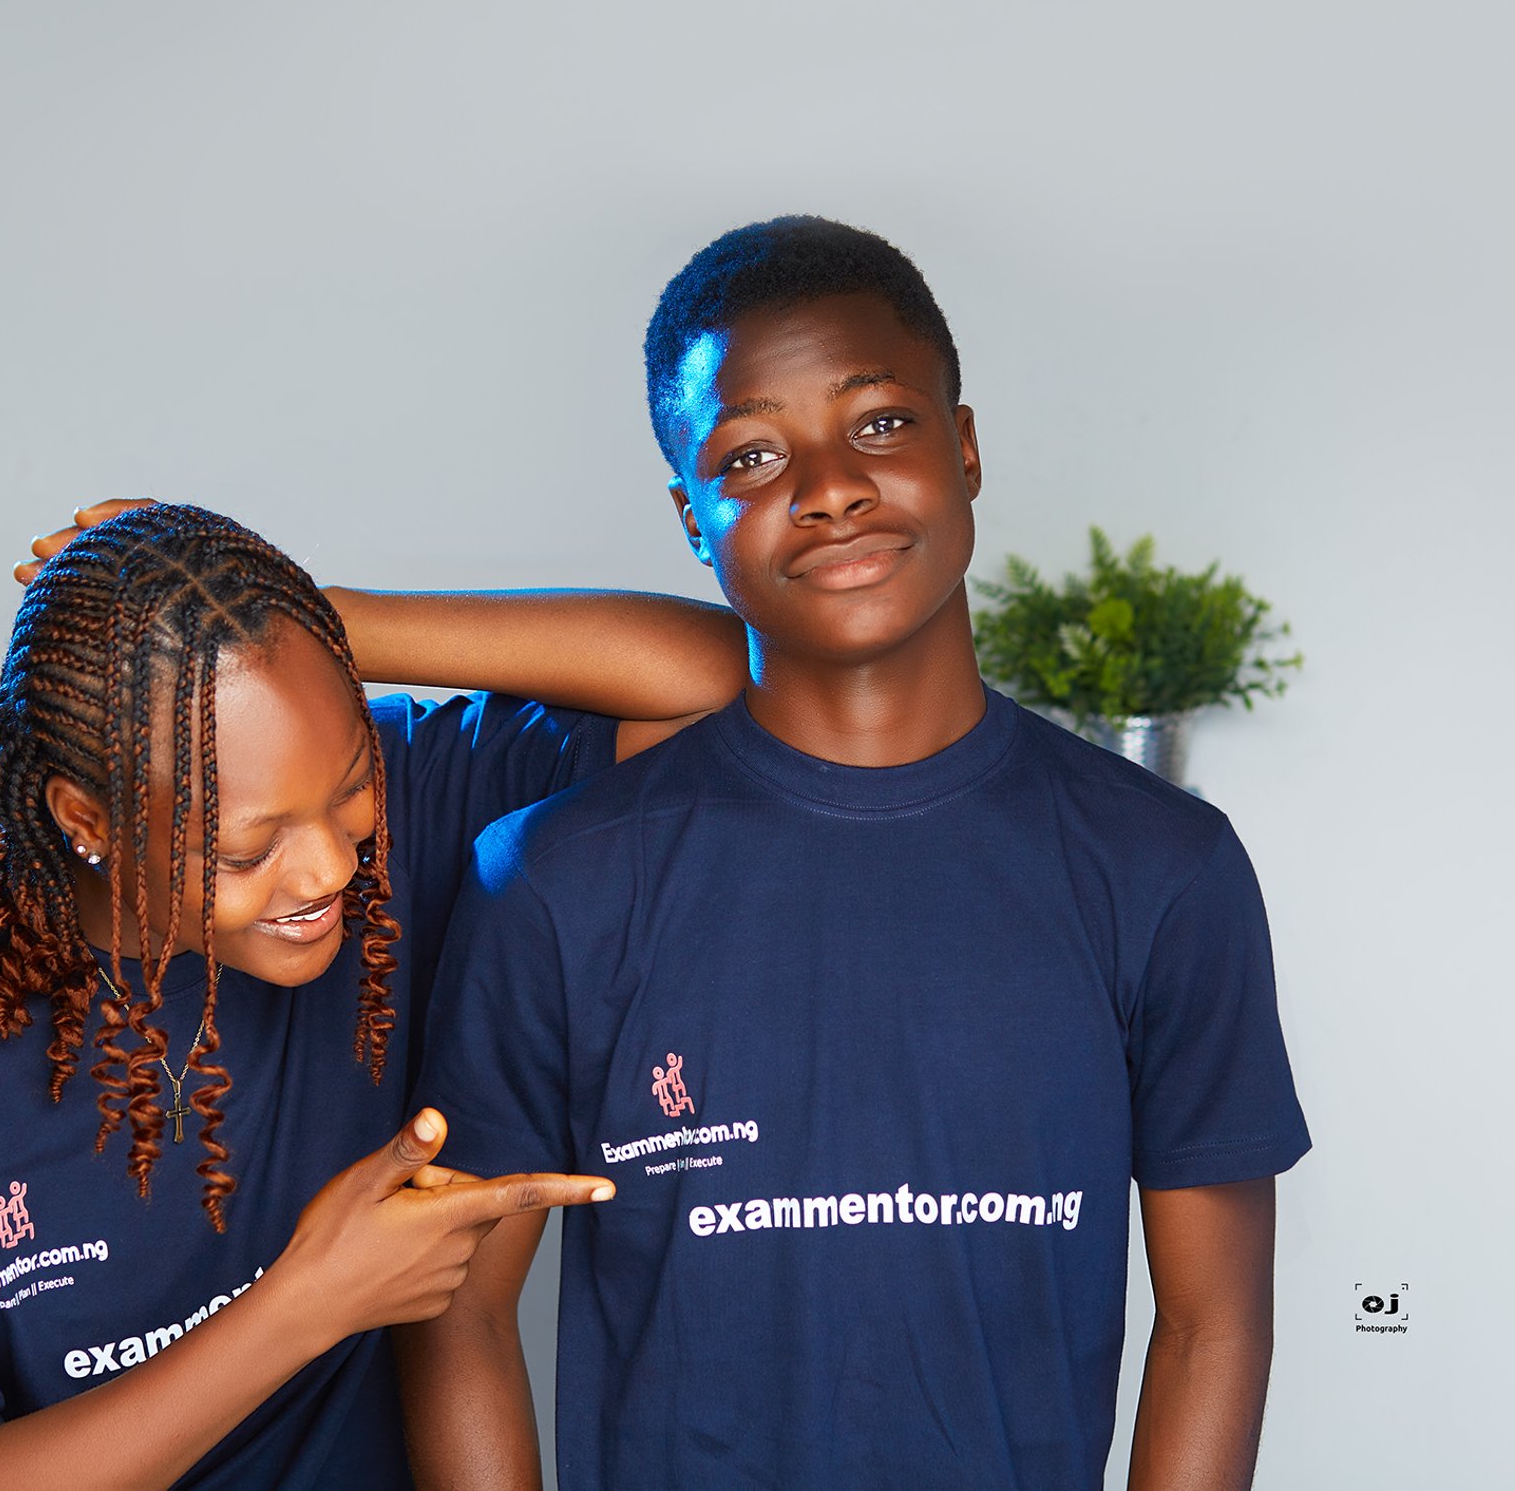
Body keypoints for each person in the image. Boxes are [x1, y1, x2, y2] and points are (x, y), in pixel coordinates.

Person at [403, 217, 1312, 1490]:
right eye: (754, 452)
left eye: (879, 421)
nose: (828, 485)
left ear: (969, 446)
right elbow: (456, 1314)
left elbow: (1217, 1323)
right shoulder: (551, 879)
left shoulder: (1164, 866)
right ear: (690, 517)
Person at [0, 502, 747, 1491]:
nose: (330, 865)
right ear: (84, 817)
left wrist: (274, 623)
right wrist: (306, 1304)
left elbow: (720, 682)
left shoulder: (391, 812)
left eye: (351, 789)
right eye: (247, 847)